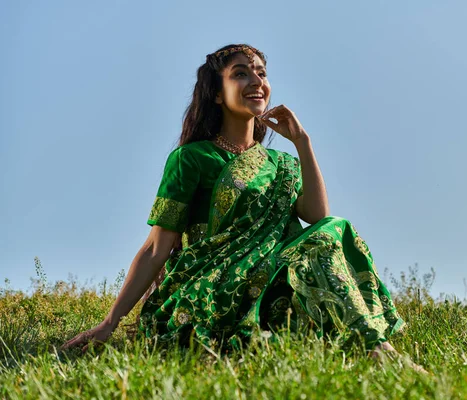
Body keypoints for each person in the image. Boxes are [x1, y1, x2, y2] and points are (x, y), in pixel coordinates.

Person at [61, 43, 405, 359]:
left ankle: (373, 348)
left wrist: (302, 142)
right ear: (216, 94)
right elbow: (156, 248)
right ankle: (377, 353)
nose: (256, 80)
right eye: (241, 73)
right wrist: (110, 323)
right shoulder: (191, 158)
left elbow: (317, 217)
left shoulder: (282, 164)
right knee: (327, 234)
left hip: (273, 280)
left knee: (332, 231)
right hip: (214, 285)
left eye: (261, 72)